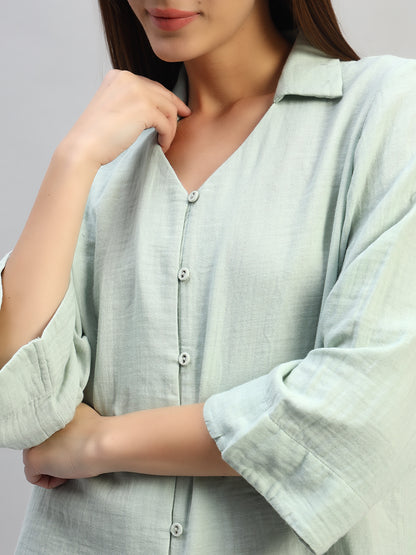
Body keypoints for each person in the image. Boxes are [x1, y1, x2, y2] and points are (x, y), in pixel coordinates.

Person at [0, 0, 415, 553]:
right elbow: (18, 406)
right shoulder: (109, 158)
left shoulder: (387, 113)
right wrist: (73, 160)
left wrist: (100, 443)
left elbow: (363, 408)